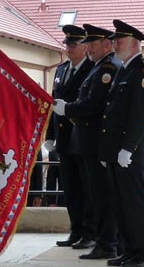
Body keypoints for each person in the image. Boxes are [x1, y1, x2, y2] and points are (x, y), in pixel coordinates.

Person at [53, 24, 122, 260]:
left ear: (105, 44)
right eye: (88, 44)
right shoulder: (68, 69)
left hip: (94, 140)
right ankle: (87, 234)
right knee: (77, 191)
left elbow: (92, 104)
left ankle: (102, 240)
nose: (88, 48)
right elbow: (56, 104)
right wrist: (52, 135)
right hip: (75, 139)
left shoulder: (104, 68)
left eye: (91, 44)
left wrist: (68, 109)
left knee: (98, 194)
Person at [100, 19, 144, 267]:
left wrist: (127, 148)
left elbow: (140, 113)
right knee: (121, 205)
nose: (114, 45)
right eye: (113, 41)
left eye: (118, 41)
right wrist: (108, 150)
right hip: (116, 151)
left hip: (131, 152)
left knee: (136, 205)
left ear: (134, 44)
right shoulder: (124, 69)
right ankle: (129, 251)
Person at [45, 25, 95, 248]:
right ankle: (76, 230)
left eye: (73, 45)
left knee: (87, 188)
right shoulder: (62, 70)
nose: (69, 49)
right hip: (64, 140)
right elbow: (53, 103)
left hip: (82, 138)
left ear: (85, 47)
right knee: (70, 188)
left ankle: (90, 232)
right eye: (67, 45)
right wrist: (50, 135)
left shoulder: (93, 70)